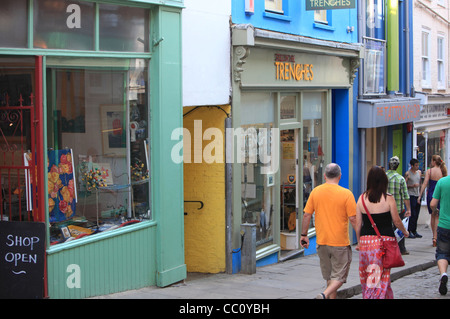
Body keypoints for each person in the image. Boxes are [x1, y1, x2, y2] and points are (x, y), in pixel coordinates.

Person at [301, 163, 357, 299]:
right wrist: (360, 239)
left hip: (322, 242)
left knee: (330, 277)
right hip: (340, 243)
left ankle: (327, 296)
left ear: (325, 176)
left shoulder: (316, 192)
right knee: (339, 277)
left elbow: (306, 215)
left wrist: (304, 235)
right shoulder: (346, 194)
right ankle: (324, 294)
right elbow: (353, 219)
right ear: (340, 176)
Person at [355, 166, 409, 299]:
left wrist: (359, 242)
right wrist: (405, 231)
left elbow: (358, 224)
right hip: (383, 243)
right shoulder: (388, 198)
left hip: (366, 242)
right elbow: (396, 220)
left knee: (371, 275)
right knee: (379, 278)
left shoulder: (362, 199)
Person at [418, 155, 448, 247]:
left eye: (431, 160)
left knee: (432, 216)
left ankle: (434, 237)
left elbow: (425, 183)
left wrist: (420, 195)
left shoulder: (429, 171)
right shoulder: (442, 171)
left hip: (431, 194)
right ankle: (437, 236)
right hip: (440, 194)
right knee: (438, 216)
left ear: (434, 161)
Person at [386, 156, 411, 255]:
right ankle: (401, 249)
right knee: (400, 228)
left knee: (387, 228)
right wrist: (408, 209)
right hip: (398, 208)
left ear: (389, 165)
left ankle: (388, 248)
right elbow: (405, 196)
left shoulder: (383, 177)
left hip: (385, 208)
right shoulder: (401, 179)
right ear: (398, 166)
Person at [430, 173, 450, 295]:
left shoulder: (442, 182)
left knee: (442, 254)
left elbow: (433, 204)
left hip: (444, 225)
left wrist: (435, 211)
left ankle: (443, 274)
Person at [405, 158, 422, 238]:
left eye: (418, 165)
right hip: (411, 195)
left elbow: (420, 183)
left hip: (417, 195)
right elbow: (404, 185)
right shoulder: (408, 173)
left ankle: (414, 230)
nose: (417, 167)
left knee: (417, 213)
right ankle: (409, 230)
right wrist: (412, 186)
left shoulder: (419, 173)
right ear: (412, 166)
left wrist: (420, 194)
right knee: (412, 213)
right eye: (416, 165)